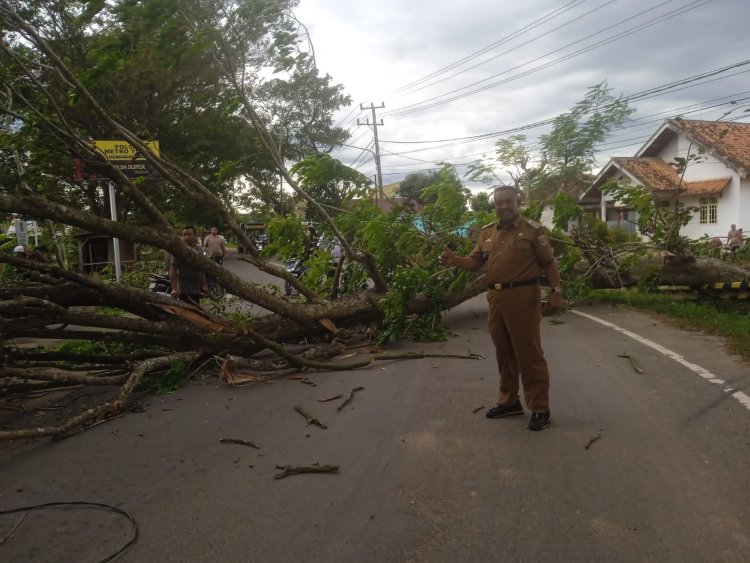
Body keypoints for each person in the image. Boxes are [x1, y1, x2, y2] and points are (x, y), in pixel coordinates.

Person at [440, 185, 562, 431]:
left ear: (518, 201)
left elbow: (548, 263)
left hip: (523, 297)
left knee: (529, 353)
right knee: (504, 353)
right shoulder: (487, 233)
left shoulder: (533, 230)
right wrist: (454, 259)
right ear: (494, 205)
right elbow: (475, 262)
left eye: (508, 201)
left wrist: (556, 292)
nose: (504, 206)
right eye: (499, 202)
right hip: (495, 298)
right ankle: (509, 401)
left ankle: (540, 408)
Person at [170, 226, 207, 305]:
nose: (187, 237)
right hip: (183, 289)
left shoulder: (199, 250)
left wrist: (204, 285)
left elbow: (201, 269)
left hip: (196, 288)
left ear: (195, 236)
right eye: (184, 234)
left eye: (189, 234)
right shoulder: (178, 250)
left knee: (196, 312)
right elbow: (173, 270)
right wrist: (174, 288)